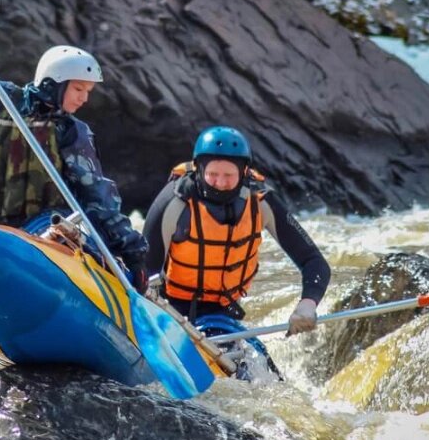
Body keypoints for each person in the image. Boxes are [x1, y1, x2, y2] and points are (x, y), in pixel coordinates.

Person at [0, 26, 148, 290]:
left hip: (45, 233)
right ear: (53, 84)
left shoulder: (72, 132)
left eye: (88, 92)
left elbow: (97, 196)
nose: (84, 99)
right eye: (79, 89)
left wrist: (132, 252)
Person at [141, 126, 331, 338]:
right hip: (171, 311)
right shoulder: (175, 202)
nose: (221, 183)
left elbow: (314, 262)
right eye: (213, 174)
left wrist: (307, 303)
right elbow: (144, 270)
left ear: (244, 172)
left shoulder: (260, 202)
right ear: (198, 168)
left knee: (257, 367)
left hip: (222, 317)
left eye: (229, 175)